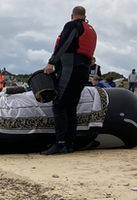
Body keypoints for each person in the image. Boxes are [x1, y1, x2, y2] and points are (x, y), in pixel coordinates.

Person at [41, 5, 97, 156]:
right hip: (83, 72)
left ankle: (59, 144)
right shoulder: (90, 29)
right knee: (71, 108)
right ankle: (69, 144)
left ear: (72, 15)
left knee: (59, 105)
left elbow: (64, 43)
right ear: (85, 15)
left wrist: (51, 62)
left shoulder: (72, 25)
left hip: (70, 69)